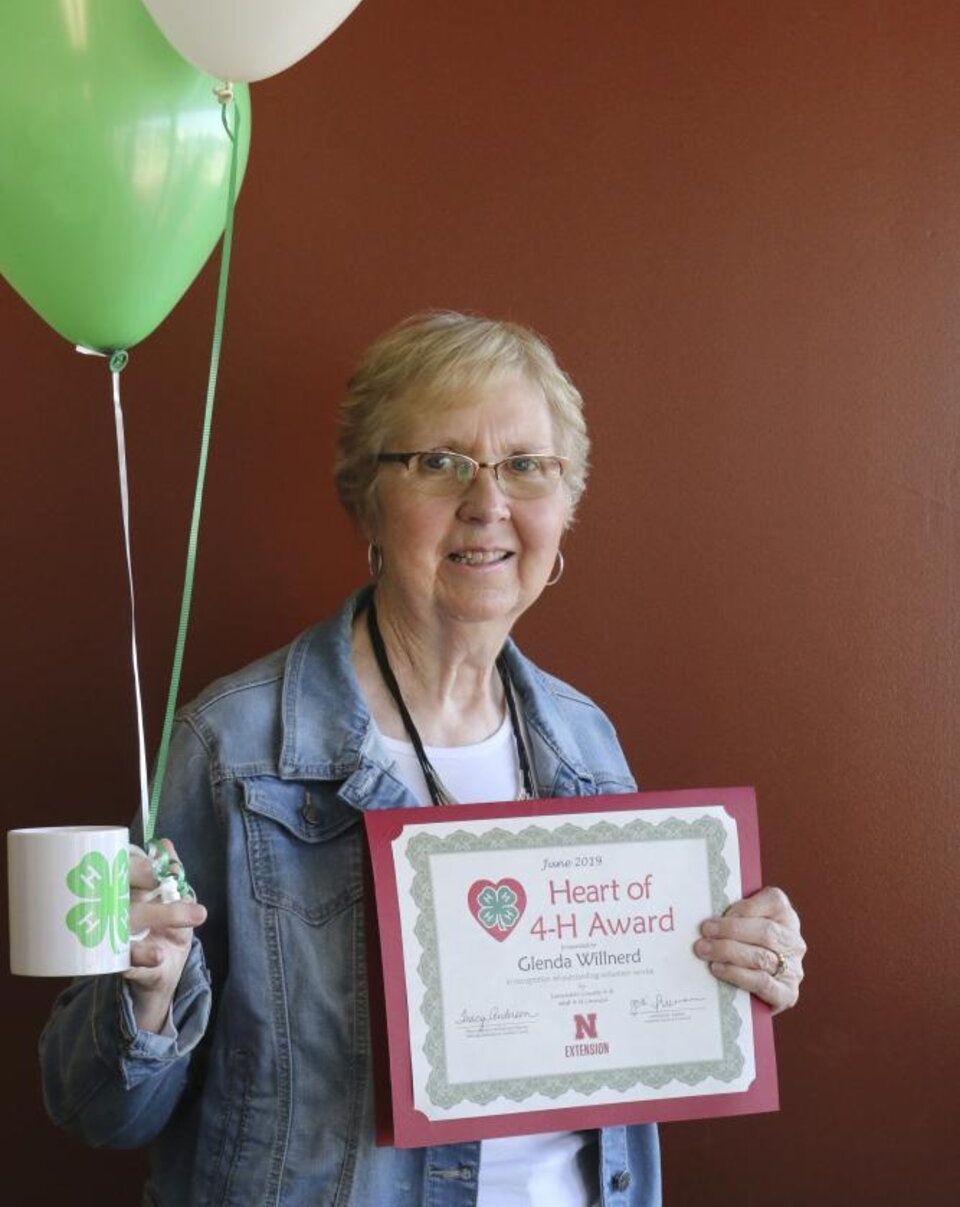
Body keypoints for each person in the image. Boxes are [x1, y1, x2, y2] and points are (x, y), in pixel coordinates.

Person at [40, 311, 805, 1206]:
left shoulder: (585, 740)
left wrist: (739, 970)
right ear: (367, 494)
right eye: (440, 462)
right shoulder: (233, 746)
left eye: (527, 465)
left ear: (566, 502)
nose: (489, 503)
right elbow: (94, 1108)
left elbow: (630, 1046)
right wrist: (149, 995)